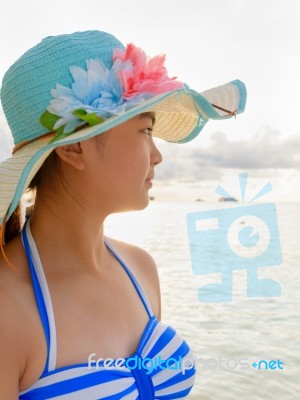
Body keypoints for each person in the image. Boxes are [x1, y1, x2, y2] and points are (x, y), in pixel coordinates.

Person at [0, 30, 246, 399]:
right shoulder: (8, 308)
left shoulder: (141, 268)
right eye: (145, 129)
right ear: (75, 148)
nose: (157, 155)